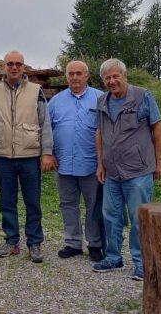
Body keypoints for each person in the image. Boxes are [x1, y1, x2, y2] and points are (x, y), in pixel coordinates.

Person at [92, 58, 161, 281]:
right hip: (112, 172)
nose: (112, 81)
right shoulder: (102, 101)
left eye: (116, 76)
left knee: (139, 219)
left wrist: (159, 161)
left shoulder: (143, 96)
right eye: (107, 78)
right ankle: (113, 258)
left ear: (125, 76)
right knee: (111, 217)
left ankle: (142, 263)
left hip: (138, 172)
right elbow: (100, 133)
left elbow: (158, 126)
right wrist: (100, 164)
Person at [0, 50, 55, 263]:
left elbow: (45, 123)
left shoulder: (36, 91)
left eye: (18, 64)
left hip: (29, 155)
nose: (14, 67)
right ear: (4, 67)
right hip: (3, 156)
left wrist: (46, 152)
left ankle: (34, 242)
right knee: (7, 202)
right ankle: (11, 240)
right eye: (10, 64)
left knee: (32, 201)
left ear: (24, 67)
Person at [48, 60, 104, 262]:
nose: (75, 77)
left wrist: (103, 160)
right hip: (63, 163)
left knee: (93, 205)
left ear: (87, 76)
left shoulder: (100, 98)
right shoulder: (55, 101)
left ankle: (95, 243)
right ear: (66, 77)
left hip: (91, 164)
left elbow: (107, 130)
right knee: (68, 204)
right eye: (71, 74)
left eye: (79, 73)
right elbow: (47, 129)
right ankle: (73, 243)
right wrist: (48, 153)